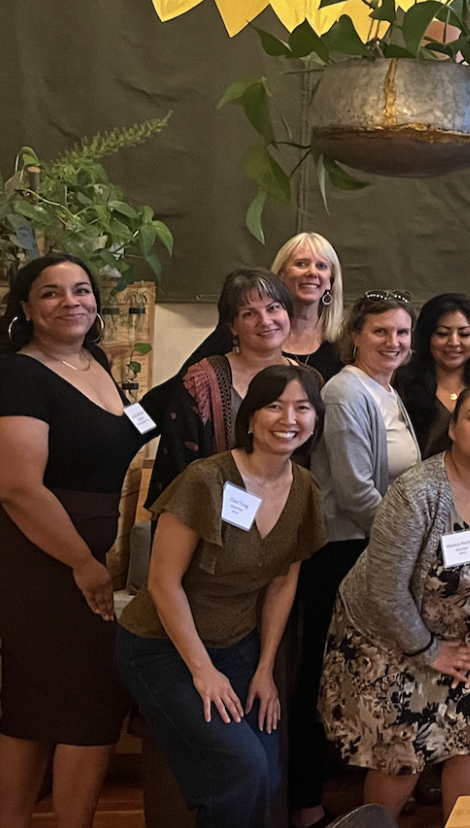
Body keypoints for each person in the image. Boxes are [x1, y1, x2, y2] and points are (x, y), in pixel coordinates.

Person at [319, 383, 470, 824]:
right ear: (455, 428)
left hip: (462, 638)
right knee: (402, 756)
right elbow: (384, 589)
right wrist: (429, 650)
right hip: (384, 636)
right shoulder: (417, 491)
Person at [114, 365, 328, 828]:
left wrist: (265, 669)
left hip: (238, 649)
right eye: (274, 406)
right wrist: (203, 671)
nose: (289, 419)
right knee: (241, 769)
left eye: (303, 408)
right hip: (161, 647)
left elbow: (282, 583)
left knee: (267, 775)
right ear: (250, 418)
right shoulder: (206, 480)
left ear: (316, 420)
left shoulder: (304, 490)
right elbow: (162, 583)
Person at [0, 255, 152, 828]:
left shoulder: (94, 362)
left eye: (82, 290)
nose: (71, 302)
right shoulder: (20, 374)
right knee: (90, 699)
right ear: (25, 309)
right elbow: (17, 488)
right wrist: (84, 564)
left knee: (34, 703)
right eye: (51, 293)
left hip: (86, 553)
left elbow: (128, 432)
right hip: (44, 559)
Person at [290, 291, 417, 828]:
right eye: (380, 331)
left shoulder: (386, 390)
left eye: (402, 333)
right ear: (356, 336)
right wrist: (411, 544)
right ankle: (303, 803)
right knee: (320, 675)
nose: (393, 342)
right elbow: (355, 492)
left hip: (377, 550)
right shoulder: (346, 391)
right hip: (344, 554)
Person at [145, 268, 300, 504]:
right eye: (249, 314)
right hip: (213, 514)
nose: (265, 321)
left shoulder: (310, 380)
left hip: (290, 510)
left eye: (273, 308)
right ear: (233, 326)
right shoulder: (200, 381)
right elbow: (178, 470)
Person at [183, 232, 346, 380]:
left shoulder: (344, 342)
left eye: (321, 266)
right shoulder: (239, 333)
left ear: (330, 281)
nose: (312, 272)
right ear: (280, 275)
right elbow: (181, 385)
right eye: (301, 264)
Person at [396, 294, 470, 457]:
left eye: (464, 334)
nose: (454, 342)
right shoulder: (403, 386)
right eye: (442, 334)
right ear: (427, 338)